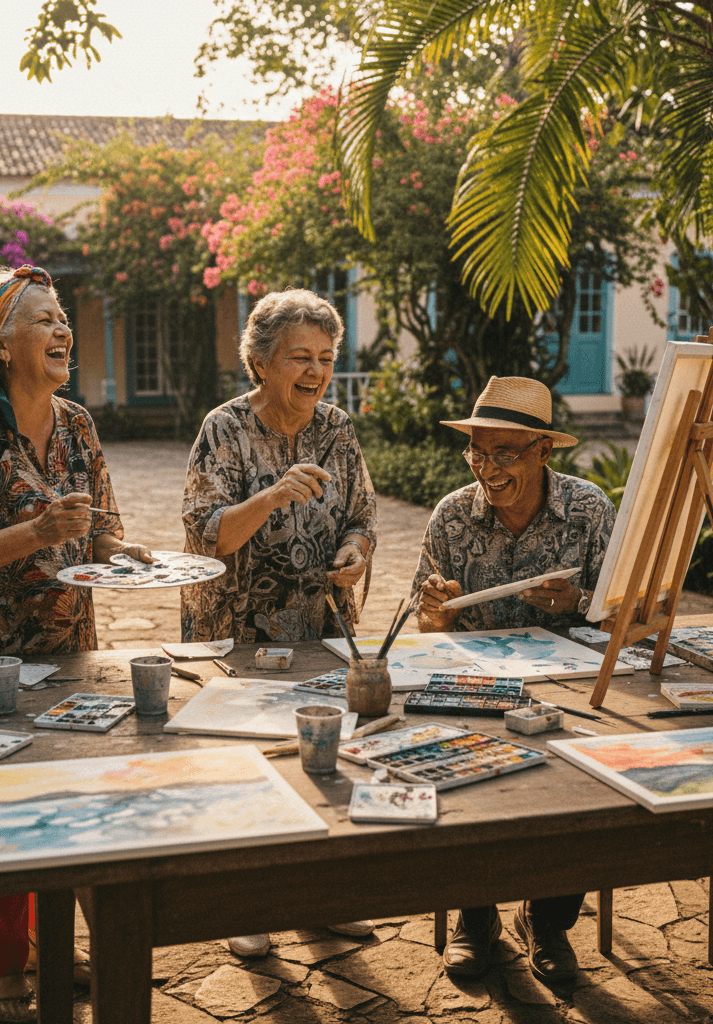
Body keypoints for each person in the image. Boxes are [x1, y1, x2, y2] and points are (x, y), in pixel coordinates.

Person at [0, 265, 153, 1022]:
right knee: (2, 811)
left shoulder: (76, 423)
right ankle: (1, 970)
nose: (62, 329)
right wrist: (35, 533)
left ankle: (48, 947)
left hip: (67, 647)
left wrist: (125, 553)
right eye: (43, 319)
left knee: (62, 799)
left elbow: (98, 528)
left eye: (64, 316)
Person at [182, 288, 377, 957]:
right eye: (300, 356)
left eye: (325, 357)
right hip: (240, 630)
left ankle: (320, 902)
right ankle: (249, 905)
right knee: (247, 765)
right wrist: (272, 493)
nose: (316, 371)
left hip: (320, 623)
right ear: (260, 361)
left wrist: (355, 553)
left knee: (324, 765)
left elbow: (361, 515)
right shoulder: (225, 429)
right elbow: (209, 538)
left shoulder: (338, 429)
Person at [411, 376, 616, 984]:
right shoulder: (453, 516)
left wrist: (577, 601)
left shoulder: (589, 511)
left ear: (543, 451)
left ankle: (548, 919)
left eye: (505, 453)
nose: (487, 468)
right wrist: (435, 611)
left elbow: (627, 612)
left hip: (568, 689)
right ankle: (478, 918)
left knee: (589, 778)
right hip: (476, 688)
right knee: (451, 769)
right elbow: (425, 621)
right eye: (477, 451)